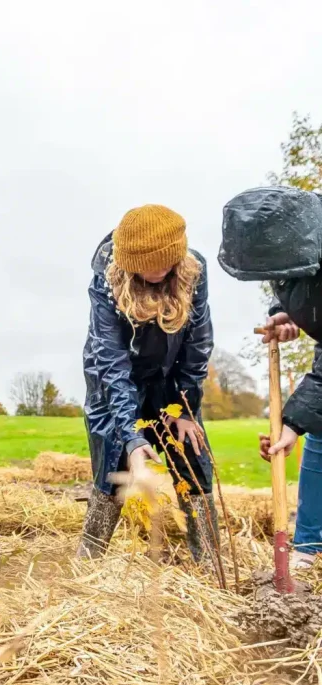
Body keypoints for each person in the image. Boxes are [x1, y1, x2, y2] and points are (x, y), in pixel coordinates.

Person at [77, 204, 218, 565]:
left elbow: (198, 344)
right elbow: (111, 359)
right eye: (145, 265)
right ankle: (88, 561)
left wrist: (186, 410)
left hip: (172, 381)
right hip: (113, 382)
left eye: (164, 262)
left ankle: (210, 563)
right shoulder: (106, 282)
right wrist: (133, 435)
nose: (156, 272)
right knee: (113, 462)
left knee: (193, 456)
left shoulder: (193, 273)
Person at [219, 185, 322, 569]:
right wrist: (287, 312)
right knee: (320, 437)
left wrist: (292, 422)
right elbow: (297, 282)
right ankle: (311, 546)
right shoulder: (298, 238)